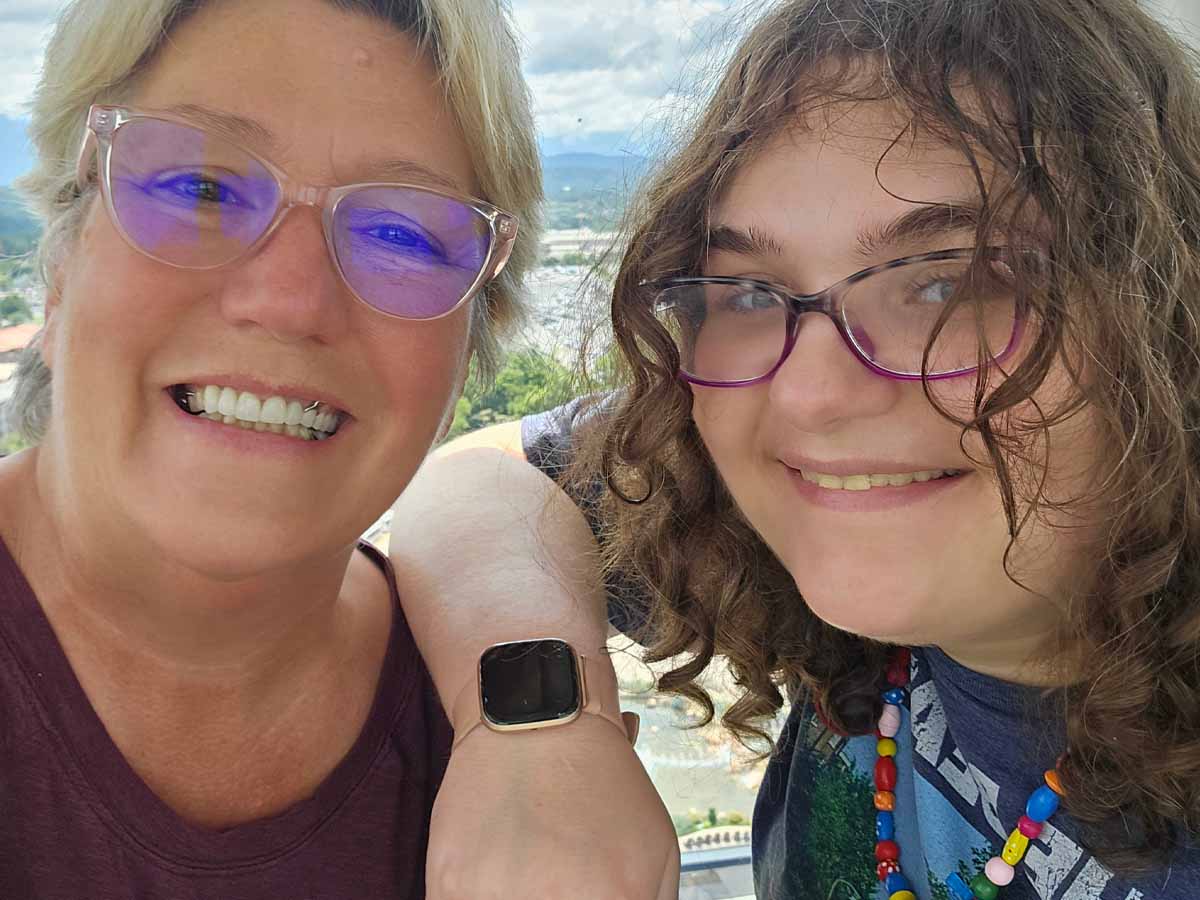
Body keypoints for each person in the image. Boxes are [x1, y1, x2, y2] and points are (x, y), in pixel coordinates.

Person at [390, 0, 1200, 898]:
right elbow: (485, 474)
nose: (810, 395)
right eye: (747, 290)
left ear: (1167, 322)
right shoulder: (747, 501)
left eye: (955, 281)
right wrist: (542, 728)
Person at [0, 0, 671, 897]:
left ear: (471, 349)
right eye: (200, 188)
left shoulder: (506, 781)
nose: (289, 300)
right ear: (57, 269)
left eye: (401, 233)